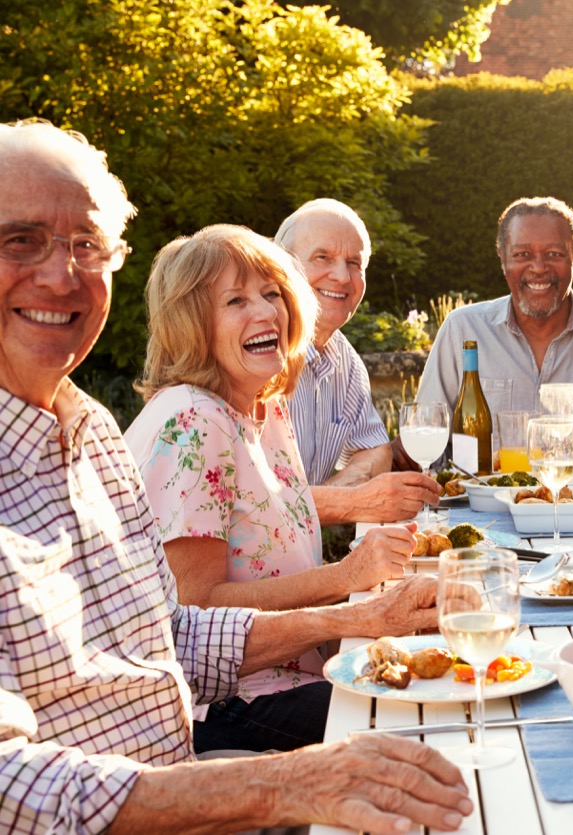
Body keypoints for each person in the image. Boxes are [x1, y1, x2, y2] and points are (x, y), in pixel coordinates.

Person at [0, 119, 471, 832]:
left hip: (187, 780)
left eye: (86, 245)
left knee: (453, 749)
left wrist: (365, 615)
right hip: (197, 773)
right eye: (21, 239)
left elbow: (170, 634)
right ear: (193, 318)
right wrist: (278, 783)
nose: (62, 273)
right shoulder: (185, 418)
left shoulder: (90, 437)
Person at [123, 224, 424, 753]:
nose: (265, 313)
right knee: (416, 714)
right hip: (228, 704)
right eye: (236, 300)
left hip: (294, 673)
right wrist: (347, 577)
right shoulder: (193, 421)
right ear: (193, 322)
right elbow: (195, 616)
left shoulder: (264, 406)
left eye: (272, 294)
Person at [415, 196, 573, 467]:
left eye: (554, 255)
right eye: (522, 254)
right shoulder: (463, 331)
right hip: (480, 506)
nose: (538, 268)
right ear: (502, 260)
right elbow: (424, 442)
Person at [275, 199, 438, 523]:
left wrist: (334, 496)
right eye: (323, 257)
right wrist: (351, 502)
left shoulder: (343, 361)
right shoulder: (259, 354)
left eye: (354, 263)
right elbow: (251, 505)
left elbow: (375, 451)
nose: (341, 276)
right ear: (283, 266)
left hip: (300, 564)